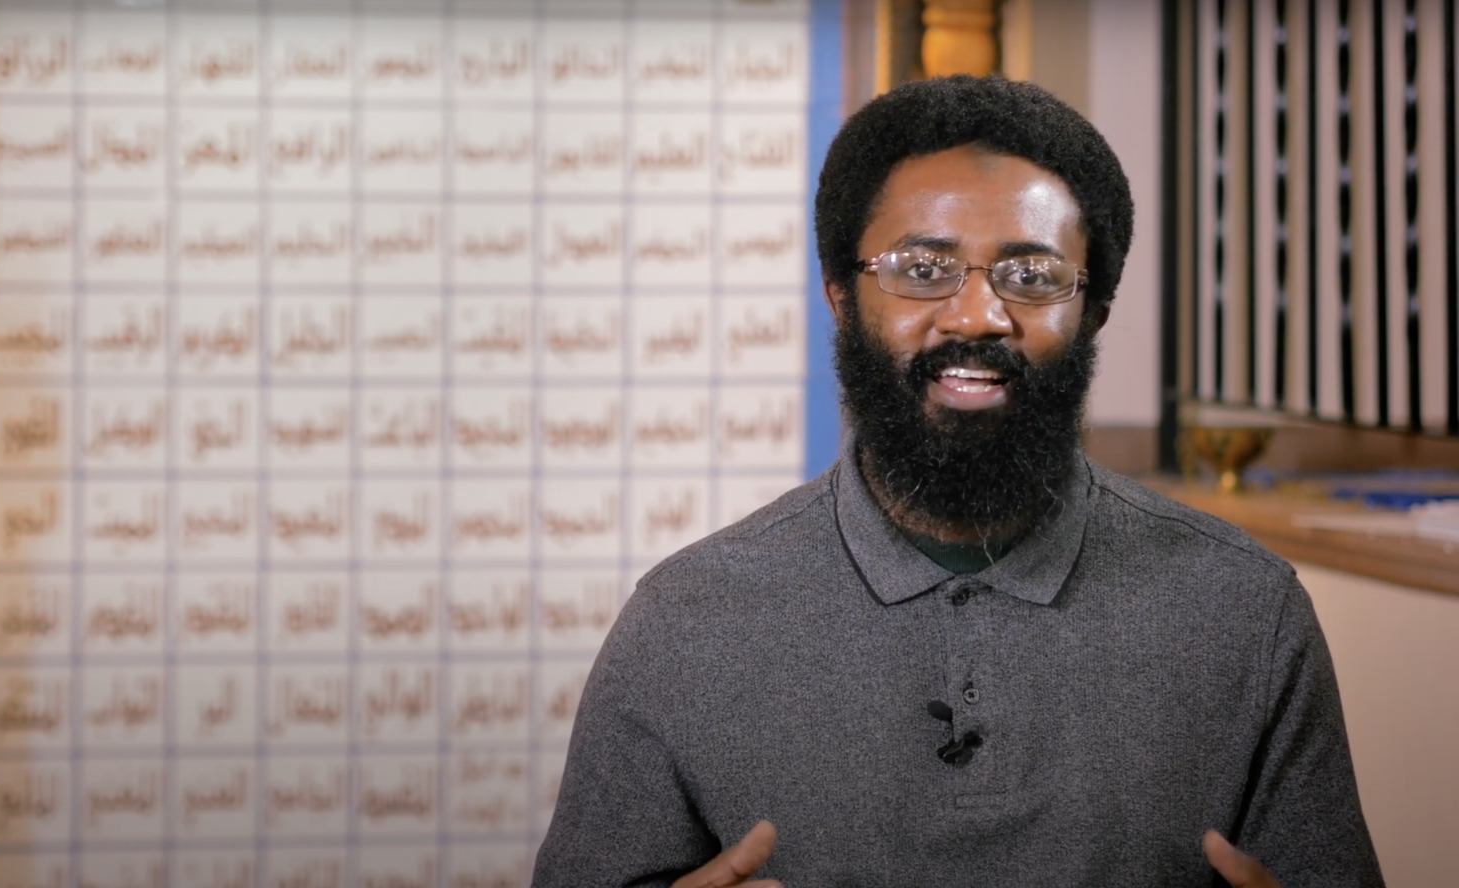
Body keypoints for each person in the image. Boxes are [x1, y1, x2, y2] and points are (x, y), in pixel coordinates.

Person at [531, 76, 1383, 888]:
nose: (978, 315)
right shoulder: (683, 622)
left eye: (1032, 276)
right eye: (922, 267)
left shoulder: (1247, 612)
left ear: (1094, 312)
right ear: (839, 295)